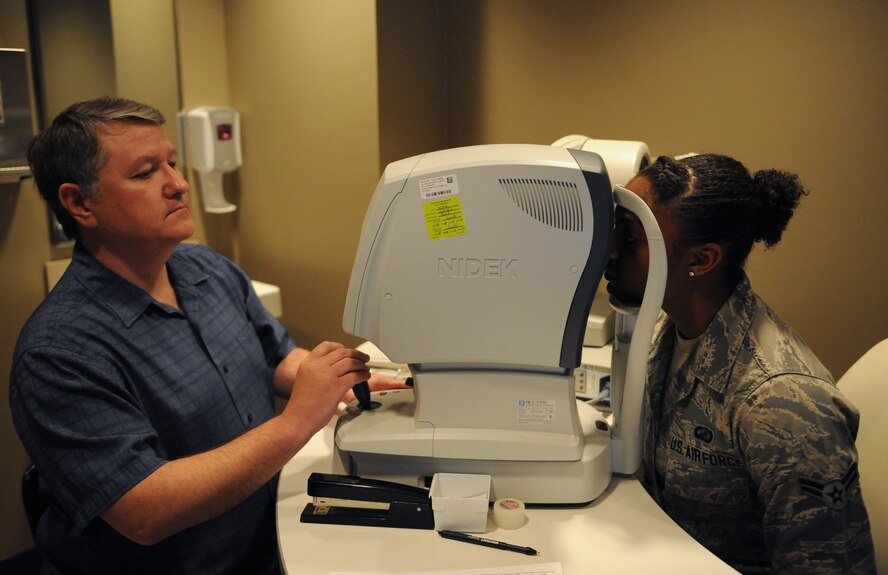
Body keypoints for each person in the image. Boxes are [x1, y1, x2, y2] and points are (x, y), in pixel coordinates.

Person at [10, 97, 399, 574]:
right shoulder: (59, 351)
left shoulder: (206, 268)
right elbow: (143, 511)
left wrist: (332, 378)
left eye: (172, 163)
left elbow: (273, 356)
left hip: (265, 537)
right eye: (145, 173)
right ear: (79, 203)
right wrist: (298, 419)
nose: (177, 184)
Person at [605, 154, 876, 574]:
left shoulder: (780, 402)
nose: (610, 252)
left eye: (631, 237)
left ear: (700, 260)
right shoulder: (666, 329)